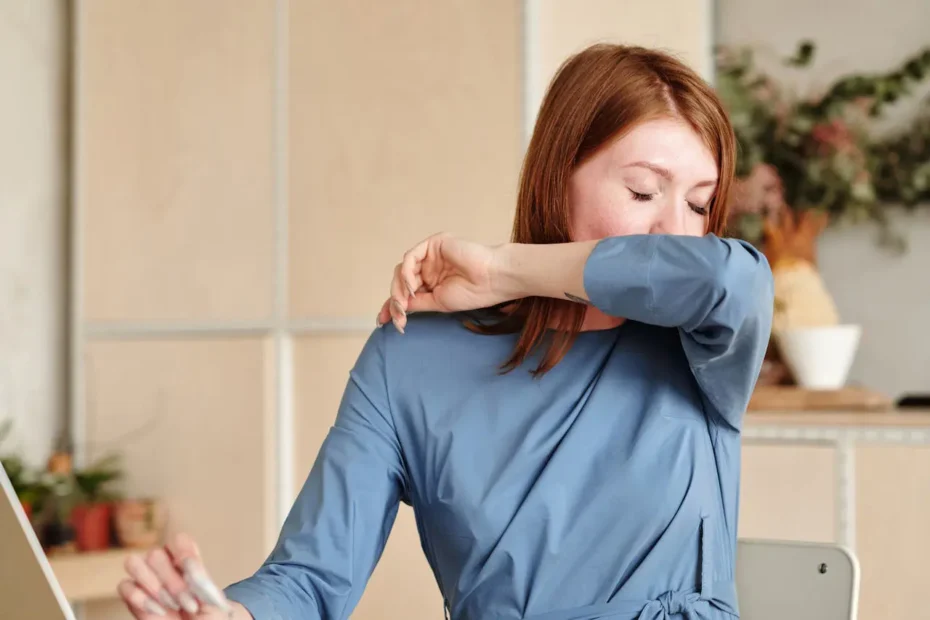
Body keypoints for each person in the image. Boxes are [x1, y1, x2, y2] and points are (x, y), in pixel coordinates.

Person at [118, 43, 773, 620]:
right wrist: (234, 615)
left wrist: (504, 269)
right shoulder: (411, 358)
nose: (676, 232)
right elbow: (310, 578)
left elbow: (724, 277)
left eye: (698, 204)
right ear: (557, 179)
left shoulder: (704, 345)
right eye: (643, 192)